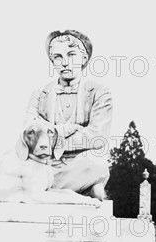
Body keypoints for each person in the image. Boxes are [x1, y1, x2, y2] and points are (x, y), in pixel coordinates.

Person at [24, 29, 112, 200]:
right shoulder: (40, 93)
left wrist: (51, 134)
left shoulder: (100, 92)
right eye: (57, 57)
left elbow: (97, 136)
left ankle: (40, 188)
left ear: (84, 59)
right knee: (16, 162)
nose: (64, 63)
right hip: (43, 161)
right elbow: (28, 131)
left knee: (97, 164)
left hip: (80, 163)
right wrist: (69, 130)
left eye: (71, 55)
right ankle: (77, 190)